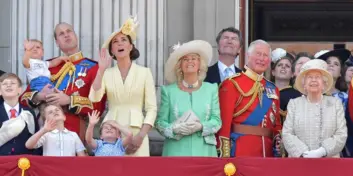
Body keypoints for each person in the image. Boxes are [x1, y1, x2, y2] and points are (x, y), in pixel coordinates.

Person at [20, 22, 106, 141]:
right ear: (57, 42)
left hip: (76, 130)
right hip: (45, 130)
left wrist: (69, 100)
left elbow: (98, 107)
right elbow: (23, 99)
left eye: (69, 31)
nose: (66, 35)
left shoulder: (93, 67)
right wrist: (39, 96)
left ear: (76, 36)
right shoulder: (46, 66)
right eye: (61, 34)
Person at [89, 16, 157, 156]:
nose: (120, 44)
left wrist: (141, 136)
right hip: (111, 132)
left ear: (131, 46)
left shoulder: (144, 72)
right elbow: (94, 97)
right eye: (115, 42)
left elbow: (151, 108)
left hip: (138, 130)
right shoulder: (107, 73)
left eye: (124, 40)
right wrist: (100, 70)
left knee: (138, 174)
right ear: (112, 50)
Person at [217, 39, 282, 157]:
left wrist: (278, 142)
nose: (262, 59)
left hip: (267, 153)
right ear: (248, 56)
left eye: (265, 55)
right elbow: (224, 122)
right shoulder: (232, 84)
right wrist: (224, 153)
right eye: (258, 54)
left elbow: (276, 124)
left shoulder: (273, 88)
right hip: (241, 149)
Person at [156, 40, 221, 157]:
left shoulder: (211, 89)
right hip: (176, 152)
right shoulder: (168, 91)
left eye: (194, 58)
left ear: (200, 64)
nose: (190, 61)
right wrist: (174, 129)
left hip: (204, 152)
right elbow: (160, 123)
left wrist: (201, 126)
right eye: (185, 59)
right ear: (179, 65)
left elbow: (217, 121)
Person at [282, 59, 347, 158]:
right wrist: (303, 153)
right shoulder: (294, 104)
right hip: (299, 163)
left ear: (324, 83)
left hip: (329, 164)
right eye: (309, 77)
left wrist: (322, 151)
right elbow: (287, 134)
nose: (313, 80)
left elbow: (341, 134)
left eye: (317, 77)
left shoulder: (335, 104)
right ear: (304, 84)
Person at [0, 73, 39, 156]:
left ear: (19, 90)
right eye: (4, 84)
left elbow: (36, 139)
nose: (8, 86)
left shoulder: (29, 112)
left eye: (12, 83)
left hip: (25, 162)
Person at [271, 48, 296, 123]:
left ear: (292, 74)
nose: (283, 67)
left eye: (287, 66)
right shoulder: (264, 91)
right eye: (279, 65)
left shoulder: (297, 95)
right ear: (273, 72)